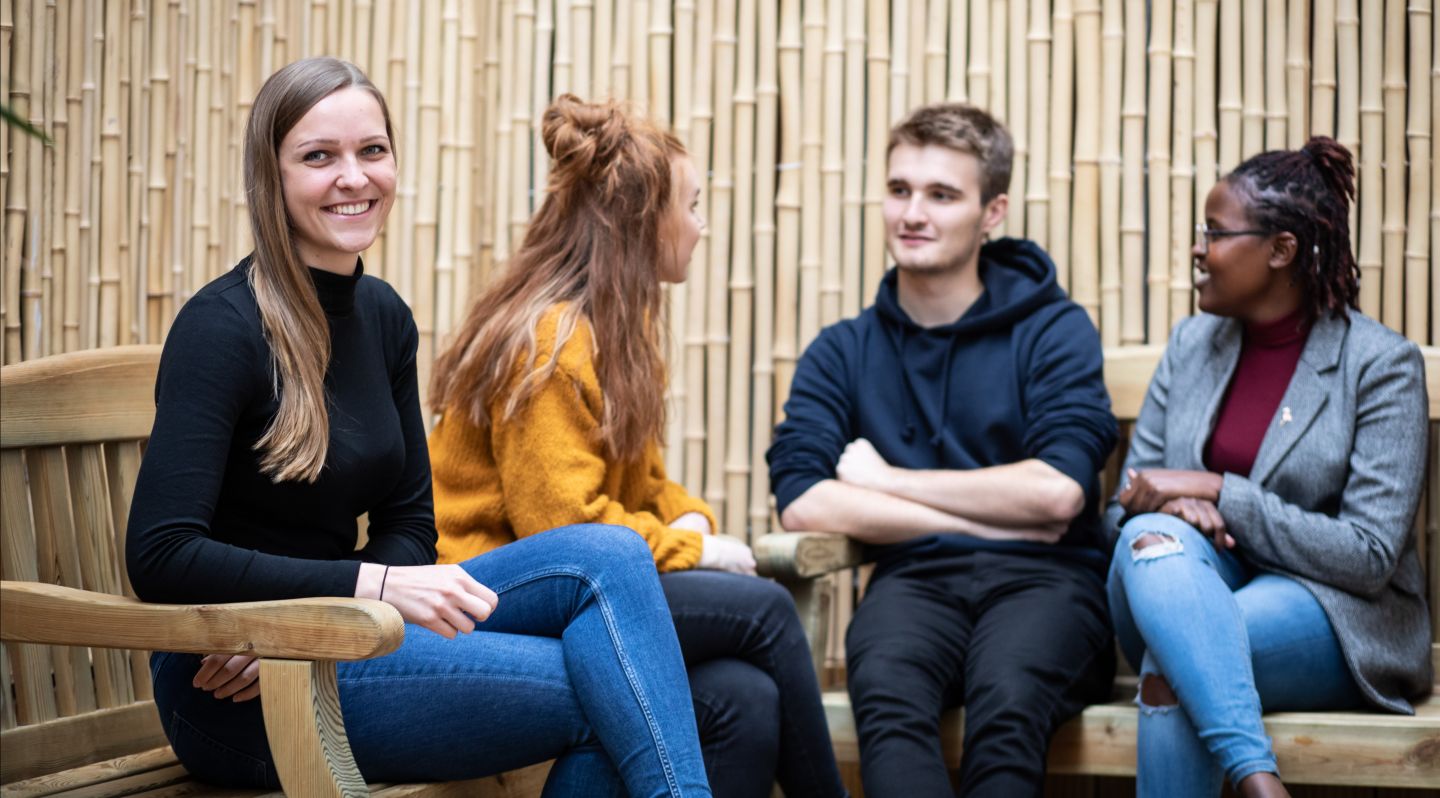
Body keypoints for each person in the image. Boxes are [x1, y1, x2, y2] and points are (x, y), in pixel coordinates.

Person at [125, 57, 712, 797]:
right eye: (319, 157)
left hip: (346, 633)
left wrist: (342, 604)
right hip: (235, 689)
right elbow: (160, 552)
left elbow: (411, 524)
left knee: (612, 555)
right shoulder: (223, 328)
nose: (354, 177)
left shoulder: (383, 319)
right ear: (269, 177)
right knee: (616, 691)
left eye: (372, 151)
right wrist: (286, 618)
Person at [427, 94, 847, 798]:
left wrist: (693, 522)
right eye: (694, 204)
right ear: (643, 222)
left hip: (572, 587)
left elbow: (647, 490)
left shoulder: (615, 340)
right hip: (493, 590)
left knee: (741, 698)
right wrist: (696, 550)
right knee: (767, 613)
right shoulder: (551, 343)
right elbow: (563, 529)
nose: (702, 226)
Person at [766, 103, 1118, 797]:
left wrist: (886, 480)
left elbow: (1056, 493)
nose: (912, 213)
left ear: (993, 211)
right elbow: (803, 502)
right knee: (888, 695)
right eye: (899, 190)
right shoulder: (844, 351)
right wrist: (985, 514)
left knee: (1008, 696)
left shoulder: (1052, 331)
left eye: (942, 195)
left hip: (1048, 579)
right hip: (913, 582)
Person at [1104, 137, 1432, 798]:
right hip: (1181, 584)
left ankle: (1255, 782)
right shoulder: (1192, 345)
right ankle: (1260, 782)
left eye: (1215, 233)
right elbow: (1125, 504)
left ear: (1281, 250)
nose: (1197, 249)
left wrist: (1219, 491)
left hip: (1334, 614)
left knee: (1176, 661)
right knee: (1153, 542)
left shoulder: (1379, 366)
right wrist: (1170, 507)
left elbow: (1368, 556)